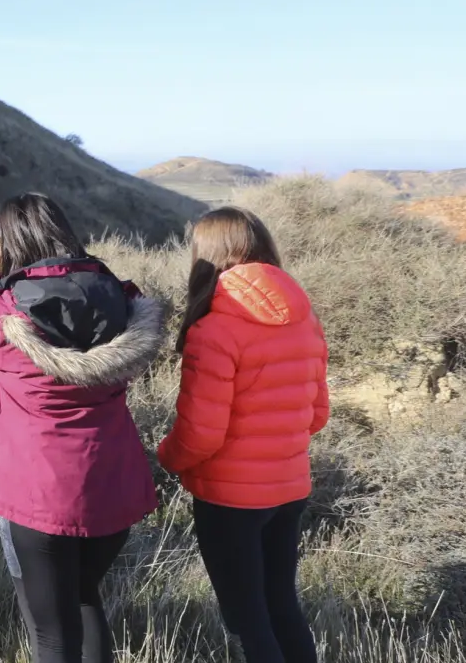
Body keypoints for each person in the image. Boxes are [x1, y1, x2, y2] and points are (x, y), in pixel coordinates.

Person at [0, 193, 164, 663]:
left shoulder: (5, 313)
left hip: (34, 496)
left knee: (50, 632)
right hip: (111, 485)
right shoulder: (117, 296)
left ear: (11, 241)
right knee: (85, 598)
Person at [157, 208, 327, 663]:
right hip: (290, 487)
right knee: (282, 607)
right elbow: (317, 414)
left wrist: (165, 459)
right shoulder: (303, 316)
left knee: (248, 620)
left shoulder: (213, 327)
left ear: (207, 254)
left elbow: (201, 435)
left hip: (229, 500)